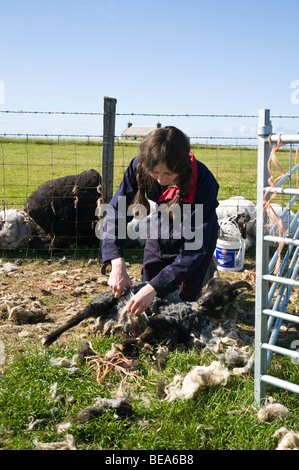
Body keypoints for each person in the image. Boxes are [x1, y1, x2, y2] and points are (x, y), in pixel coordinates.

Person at [101, 126, 219, 315]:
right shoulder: (139, 166)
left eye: (169, 174)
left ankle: (203, 271)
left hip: (194, 223)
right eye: (155, 172)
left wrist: (154, 288)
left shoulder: (202, 182)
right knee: (150, 279)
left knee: (184, 299)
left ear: (181, 168)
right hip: (163, 216)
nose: (160, 180)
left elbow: (194, 248)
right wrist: (117, 262)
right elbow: (117, 212)